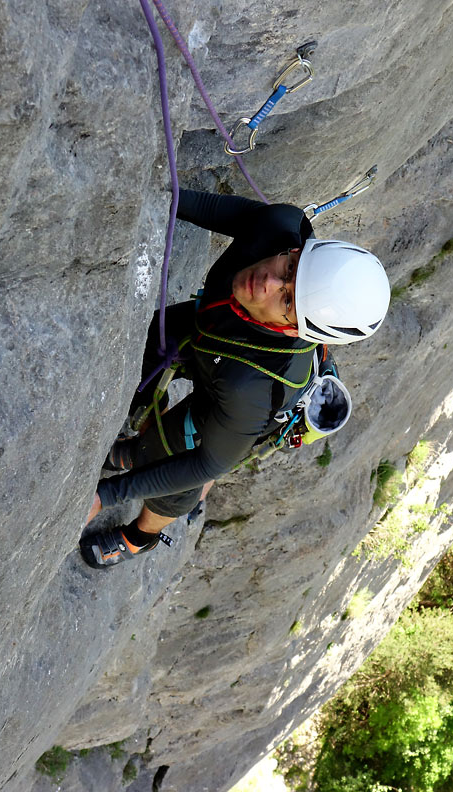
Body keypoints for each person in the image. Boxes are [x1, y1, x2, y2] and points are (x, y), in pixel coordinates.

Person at [79, 189, 390, 568]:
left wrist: (104, 496)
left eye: (287, 300)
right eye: (290, 270)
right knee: (157, 337)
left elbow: (207, 464)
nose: (268, 283)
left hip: (230, 391)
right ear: (295, 251)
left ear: (296, 331)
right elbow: (198, 205)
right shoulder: (279, 227)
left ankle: (140, 536)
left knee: (175, 478)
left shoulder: (251, 391)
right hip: (211, 334)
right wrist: (156, 192)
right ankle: (136, 449)